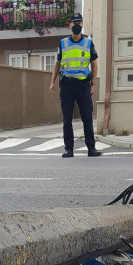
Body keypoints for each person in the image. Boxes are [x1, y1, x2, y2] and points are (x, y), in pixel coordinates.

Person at [50, 13, 101, 158]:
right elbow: (58, 64)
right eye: (74, 22)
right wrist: (52, 82)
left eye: (79, 22)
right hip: (67, 85)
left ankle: (91, 148)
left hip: (83, 85)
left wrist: (93, 84)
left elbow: (94, 64)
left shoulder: (88, 43)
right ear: (70, 25)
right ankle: (69, 149)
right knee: (67, 119)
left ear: (82, 24)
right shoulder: (63, 43)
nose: (77, 24)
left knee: (87, 117)